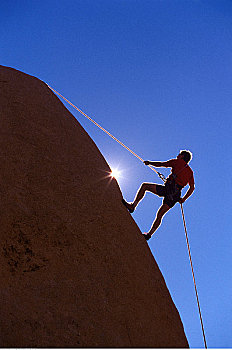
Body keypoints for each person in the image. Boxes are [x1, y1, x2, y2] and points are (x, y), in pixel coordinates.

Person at [122, 150, 195, 241]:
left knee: (145, 186)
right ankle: (149, 234)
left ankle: (133, 206)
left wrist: (149, 163)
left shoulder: (177, 162)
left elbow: (161, 164)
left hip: (167, 189)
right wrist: (183, 199)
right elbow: (192, 188)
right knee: (160, 214)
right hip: (175, 195)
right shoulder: (190, 172)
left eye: (179, 154)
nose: (177, 155)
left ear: (182, 156)